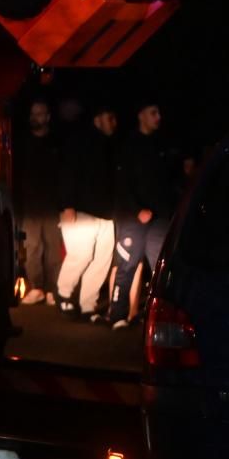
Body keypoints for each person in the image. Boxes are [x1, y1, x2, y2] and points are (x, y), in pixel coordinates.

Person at [106, 99, 180, 329]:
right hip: (133, 217)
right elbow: (122, 182)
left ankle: (155, 316)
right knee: (127, 264)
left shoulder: (161, 145)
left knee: (160, 266)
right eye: (153, 112)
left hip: (159, 217)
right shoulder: (129, 145)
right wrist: (137, 209)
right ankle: (117, 314)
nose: (158, 117)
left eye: (159, 112)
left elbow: (169, 181)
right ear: (141, 115)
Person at [56, 106, 117, 321]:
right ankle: (63, 293)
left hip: (106, 212)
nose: (114, 123)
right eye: (110, 117)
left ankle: (87, 305)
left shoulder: (110, 145)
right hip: (82, 209)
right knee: (81, 255)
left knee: (101, 260)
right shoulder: (80, 141)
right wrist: (67, 204)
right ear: (97, 118)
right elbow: (67, 171)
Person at [15, 99, 64, 305]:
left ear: (48, 117)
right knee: (32, 247)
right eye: (33, 114)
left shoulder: (56, 143)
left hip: (52, 205)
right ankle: (36, 288)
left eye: (40, 114)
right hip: (30, 205)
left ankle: (53, 289)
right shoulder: (23, 143)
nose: (36, 118)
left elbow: (64, 175)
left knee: (54, 249)